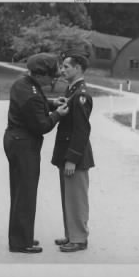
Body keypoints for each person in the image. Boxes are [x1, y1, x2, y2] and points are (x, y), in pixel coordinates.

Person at [3, 53, 69, 254]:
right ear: (41, 75)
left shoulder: (24, 83)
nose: (53, 81)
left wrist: (51, 103)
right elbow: (42, 125)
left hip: (16, 141)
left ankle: (20, 236)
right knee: (26, 193)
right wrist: (58, 114)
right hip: (24, 145)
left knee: (20, 191)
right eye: (51, 77)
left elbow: (37, 102)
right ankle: (21, 243)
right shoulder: (31, 92)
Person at [51, 49, 95, 252]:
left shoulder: (81, 94)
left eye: (66, 66)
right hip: (67, 152)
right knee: (68, 196)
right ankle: (71, 234)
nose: (62, 70)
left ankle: (79, 238)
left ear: (78, 68)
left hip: (75, 156)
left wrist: (72, 159)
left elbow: (81, 129)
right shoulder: (72, 90)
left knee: (76, 197)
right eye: (62, 66)